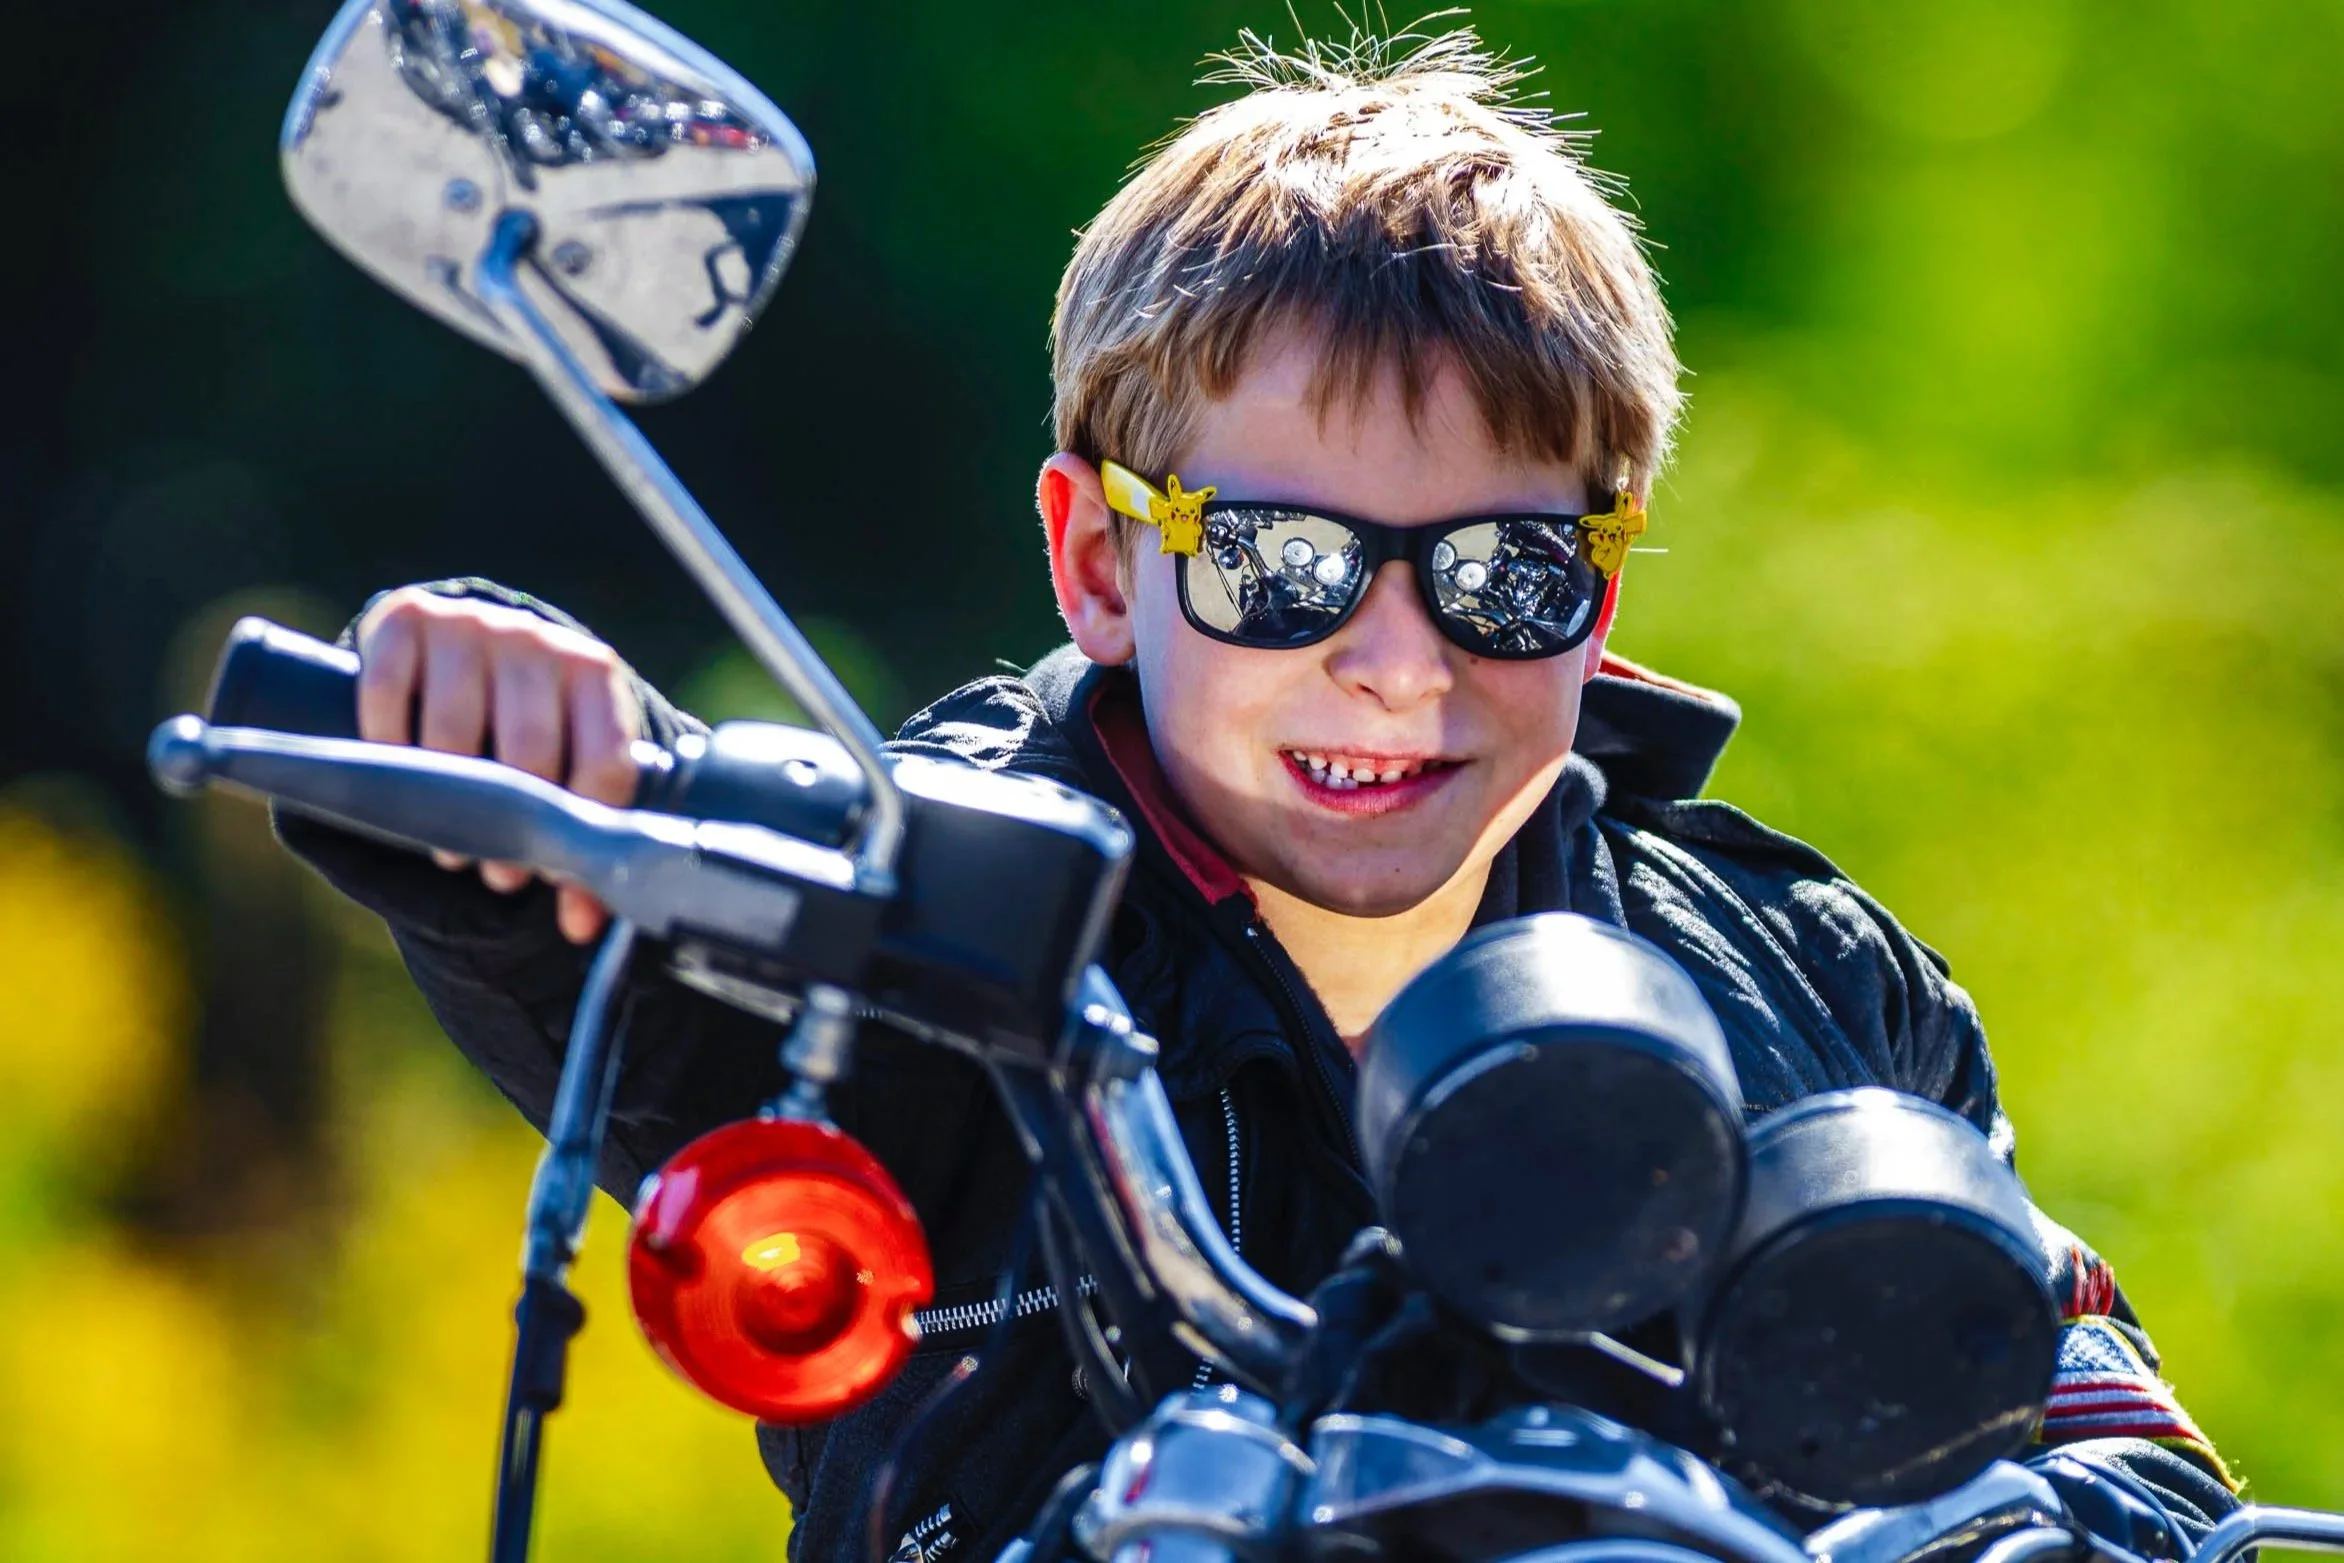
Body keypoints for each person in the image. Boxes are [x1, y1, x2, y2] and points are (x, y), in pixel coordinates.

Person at [279, 25, 2240, 1562]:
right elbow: (673, 1014)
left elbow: (2088, 1417)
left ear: (1601, 589)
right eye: (1283, 565)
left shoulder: (1806, 973)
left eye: (1499, 573)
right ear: (1099, 564)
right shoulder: (944, 914)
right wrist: (520, 772)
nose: (1399, 661)